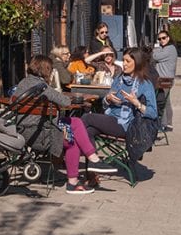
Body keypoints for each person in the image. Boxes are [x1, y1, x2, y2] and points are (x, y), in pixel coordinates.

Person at [13, 56, 117, 194]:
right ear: (46, 70)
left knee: (72, 135)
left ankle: (80, 175)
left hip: (25, 131)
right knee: (76, 126)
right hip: (41, 134)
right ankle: (90, 163)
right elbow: (65, 102)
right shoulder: (41, 86)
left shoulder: (23, 83)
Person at [82, 47, 158, 142]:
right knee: (89, 131)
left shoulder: (145, 84)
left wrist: (136, 103)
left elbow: (153, 113)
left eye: (128, 61)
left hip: (127, 124)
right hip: (111, 117)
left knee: (87, 117)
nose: (124, 64)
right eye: (123, 60)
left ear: (137, 63)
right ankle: (92, 156)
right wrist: (108, 99)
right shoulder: (119, 79)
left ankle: (67, 141)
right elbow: (105, 104)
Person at [152, 29, 178, 130]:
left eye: (163, 38)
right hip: (162, 79)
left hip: (165, 79)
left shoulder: (170, 49)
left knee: (163, 101)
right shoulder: (164, 48)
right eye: (159, 39)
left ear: (168, 38)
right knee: (165, 101)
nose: (161, 40)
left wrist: (155, 49)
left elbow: (155, 56)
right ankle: (167, 123)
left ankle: (165, 124)